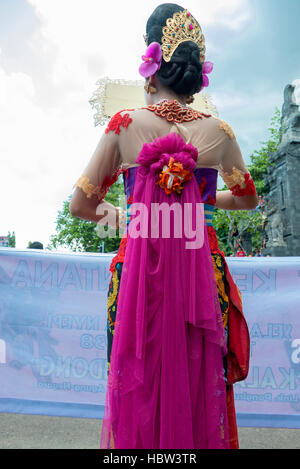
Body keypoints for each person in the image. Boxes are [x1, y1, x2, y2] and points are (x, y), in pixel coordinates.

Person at [70, 3, 258, 450]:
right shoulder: (221, 132)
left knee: (139, 390)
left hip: (140, 283)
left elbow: (82, 204)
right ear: (195, 74)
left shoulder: (125, 125)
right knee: (199, 388)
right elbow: (249, 199)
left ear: (152, 65)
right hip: (201, 286)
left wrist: (126, 216)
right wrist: (202, 203)